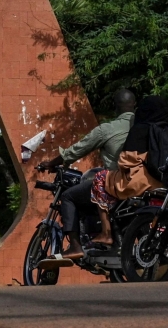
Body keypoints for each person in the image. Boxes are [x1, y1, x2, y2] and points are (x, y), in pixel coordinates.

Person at [40, 88, 136, 259]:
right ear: (135, 105)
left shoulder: (107, 129)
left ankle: (75, 246)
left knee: (69, 196)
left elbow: (76, 150)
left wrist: (51, 163)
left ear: (115, 107)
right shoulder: (144, 126)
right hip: (143, 182)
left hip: (117, 182)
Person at [88, 95, 168, 246]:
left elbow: (125, 162)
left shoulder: (140, 129)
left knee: (100, 177)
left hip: (139, 183)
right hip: (163, 184)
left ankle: (106, 233)